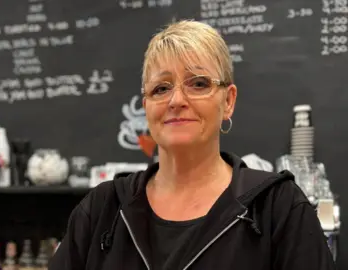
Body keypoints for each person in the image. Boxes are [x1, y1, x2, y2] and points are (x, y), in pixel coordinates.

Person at [48, 20, 336, 270]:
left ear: (228, 101)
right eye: (161, 88)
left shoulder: (278, 208)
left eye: (198, 84)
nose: (176, 101)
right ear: (146, 105)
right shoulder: (101, 210)